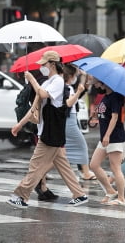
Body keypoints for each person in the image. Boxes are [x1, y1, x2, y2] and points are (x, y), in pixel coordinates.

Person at [8, 51, 88, 208]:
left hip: (52, 130)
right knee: (62, 165)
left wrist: (32, 80)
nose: (41, 67)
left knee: (36, 165)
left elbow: (43, 94)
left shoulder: (57, 81)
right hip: (46, 129)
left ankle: (21, 196)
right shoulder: (46, 82)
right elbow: (34, 108)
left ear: (52, 64)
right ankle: (79, 194)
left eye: (43, 64)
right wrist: (20, 124)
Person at [89, 78, 125, 205]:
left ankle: (121, 198)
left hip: (114, 136)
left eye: (98, 82)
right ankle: (110, 191)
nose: (96, 84)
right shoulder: (106, 96)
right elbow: (106, 114)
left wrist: (107, 135)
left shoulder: (115, 96)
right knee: (94, 164)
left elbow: (115, 117)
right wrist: (96, 114)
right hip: (105, 137)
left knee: (116, 168)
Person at [62, 64, 96, 180]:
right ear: (70, 76)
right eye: (75, 75)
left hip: (70, 119)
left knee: (59, 152)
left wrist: (83, 77)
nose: (76, 77)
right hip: (68, 121)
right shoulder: (66, 88)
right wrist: (78, 92)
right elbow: (68, 103)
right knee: (81, 146)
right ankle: (85, 172)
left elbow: (80, 91)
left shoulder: (67, 87)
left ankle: (41, 174)